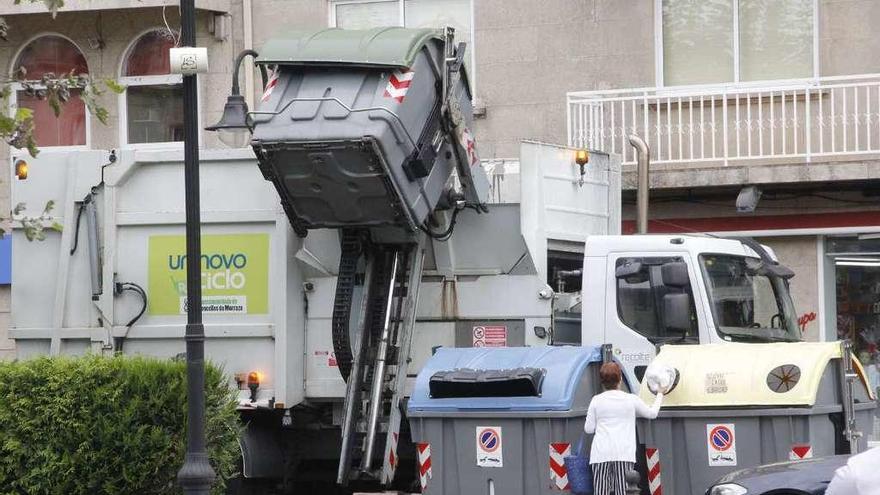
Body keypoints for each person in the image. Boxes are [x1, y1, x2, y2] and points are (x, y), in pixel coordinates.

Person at [584, 362, 664, 495]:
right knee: (624, 491)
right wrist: (660, 394)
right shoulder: (630, 399)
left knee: (601, 492)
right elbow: (652, 414)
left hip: (600, 454)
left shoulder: (596, 400)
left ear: (602, 382)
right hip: (623, 453)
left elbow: (589, 429)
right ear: (620, 379)